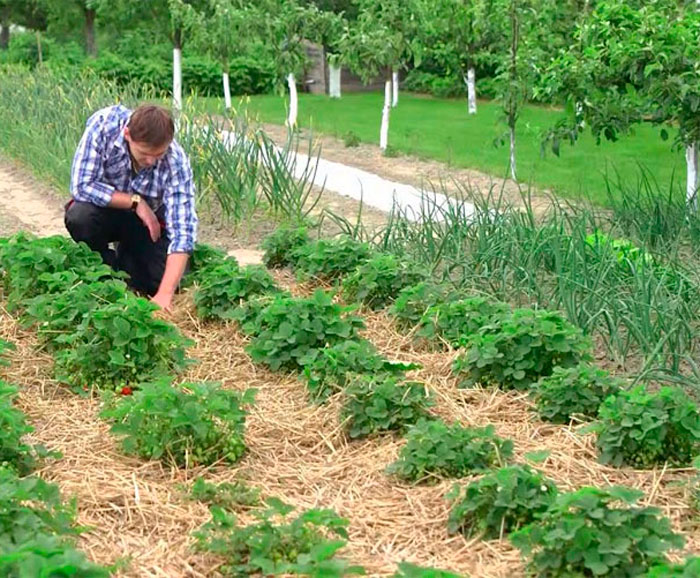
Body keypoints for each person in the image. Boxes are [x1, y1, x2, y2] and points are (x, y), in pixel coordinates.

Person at [65, 103, 198, 311]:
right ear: (127, 135)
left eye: (159, 154)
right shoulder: (104, 126)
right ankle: (103, 272)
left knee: (162, 281)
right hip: (106, 212)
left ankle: (128, 260)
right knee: (80, 216)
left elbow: (183, 231)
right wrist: (135, 202)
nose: (152, 160)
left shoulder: (176, 160)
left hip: (148, 223)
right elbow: (82, 185)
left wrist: (164, 294)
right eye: (145, 153)